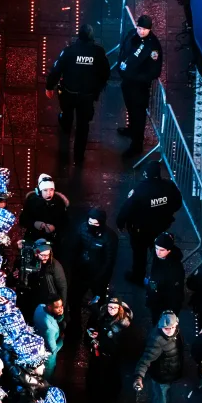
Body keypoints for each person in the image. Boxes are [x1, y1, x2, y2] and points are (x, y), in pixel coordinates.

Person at [44, 24, 111, 165]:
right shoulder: (98, 52)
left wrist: (49, 86)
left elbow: (56, 70)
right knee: (83, 126)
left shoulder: (69, 51)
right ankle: (78, 157)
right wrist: (97, 88)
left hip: (68, 93)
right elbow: (105, 73)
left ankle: (65, 134)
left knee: (67, 115)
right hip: (87, 96)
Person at [117, 163, 181, 283]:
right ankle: (158, 275)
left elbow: (127, 208)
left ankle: (138, 276)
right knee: (159, 251)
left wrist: (120, 223)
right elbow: (177, 203)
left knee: (139, 254)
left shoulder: (139, 190)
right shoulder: (169, 186)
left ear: (146, 174)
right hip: (160, 226)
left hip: (141, 230)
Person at [116, 15, 162, 156]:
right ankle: (131, 130)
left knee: (138, 115)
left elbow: (154, 71)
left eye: (144, 29)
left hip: (139, 87)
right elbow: (124, 51)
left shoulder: (153, 46)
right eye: (140, 28)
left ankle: (137, 145)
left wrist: (136, 78)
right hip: (127, 83)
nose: (141, 31)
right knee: (130, 109)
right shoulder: (132, 34)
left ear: (150, 29)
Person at [133, 311, 184, 403]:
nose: (170, 330)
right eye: (167, 328)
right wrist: (139, 376)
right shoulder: (157, 341)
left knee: (158, 398)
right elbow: (145, 360)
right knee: (160, 402)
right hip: (162, 377)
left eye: (173, 327)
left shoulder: (175, 332)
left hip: (168, 374)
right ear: (161, 327)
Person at [86, 297, 133, 403]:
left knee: (109, 377)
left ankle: (106, 399)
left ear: (119, 308)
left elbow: (122, 342)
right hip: (101, 351)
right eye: (110, 307)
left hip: (112, 355)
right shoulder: (104, 315)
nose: (111, 310)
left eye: (114, 308)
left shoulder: (122, 324)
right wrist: (97, 336)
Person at [75, 208, 118, 303]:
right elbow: (76, 246)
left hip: (98, 272)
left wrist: (100, 277)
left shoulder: (109, 237)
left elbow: (109, 260)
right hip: (83, 269)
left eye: (96, 224)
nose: (92, 226)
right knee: (76, 296)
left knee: (99, 298)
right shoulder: (83, 228)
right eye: (90, 222)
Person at [145, 232, 184, 322]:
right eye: (156, 248)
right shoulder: (155, 256)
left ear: (169, 250)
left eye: (162, 250)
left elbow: (176, 293)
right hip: (153, 297)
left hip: (164, 303)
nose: (158, 252)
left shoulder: (175, 268)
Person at [21, 175, 70, 245]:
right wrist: (34, 224)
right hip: (33, 240)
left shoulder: (59, 202)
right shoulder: (31, 201)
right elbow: (22, 220)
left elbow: (66, 222)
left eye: (51, 190)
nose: (49, 193)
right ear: (39, 191)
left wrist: (55, 227)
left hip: (53, 242)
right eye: (45, 190)